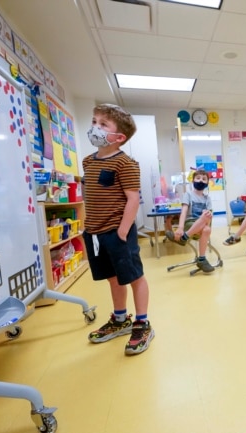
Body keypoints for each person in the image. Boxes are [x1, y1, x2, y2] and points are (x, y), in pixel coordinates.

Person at [82, 103, 154, 356]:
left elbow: (133, 199)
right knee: (112, 278)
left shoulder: (126, 164)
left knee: (133, 276)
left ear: (119, 137)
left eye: (103, 124)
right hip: (94, 233)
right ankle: (120, 319)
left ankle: (142, 323)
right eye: (94, 122)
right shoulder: (88, 161)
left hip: (117, 231)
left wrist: (123, 232)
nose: (95, 127)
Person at [165, 169, 215, 273]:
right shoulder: (188, 195)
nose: (201, 180)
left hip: (202, 227)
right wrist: (180, 228)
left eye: (204, 179)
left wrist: (208, 216)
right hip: (189, 225)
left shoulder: (208, 199)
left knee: (206, 227)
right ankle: (201, 259)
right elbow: (183, 212)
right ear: (193, 181)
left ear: (207, 183)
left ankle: (185, 239)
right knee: (205, 225)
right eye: (198, 178)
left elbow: (209, 220)